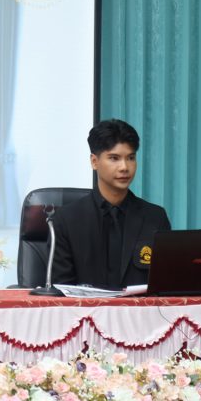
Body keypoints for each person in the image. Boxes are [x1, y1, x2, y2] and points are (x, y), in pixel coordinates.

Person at [51, 119, 171, 289]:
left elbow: (165, 284)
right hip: (84, 306)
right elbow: (60, 289)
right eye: (114, 158)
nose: (124, 167)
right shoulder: (66, 220)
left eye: (131, 158)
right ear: (94, 161)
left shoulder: (155, 218)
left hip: (140, 306)